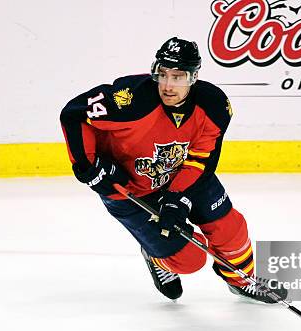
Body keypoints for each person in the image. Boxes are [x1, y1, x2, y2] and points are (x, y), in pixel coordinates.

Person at [59, 37, 286, 303]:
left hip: (181, 175)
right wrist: (88, 167)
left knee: (230, 228)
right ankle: (155, 257)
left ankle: (241, 280)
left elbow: (200, 160)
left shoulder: (213, 105)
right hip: (130, 190)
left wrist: (179, 197)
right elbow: (74, 114)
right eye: (162, 74)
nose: (167, 85)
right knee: (190, 260)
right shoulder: (129, 99)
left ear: (193, 76)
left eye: (177, 77)